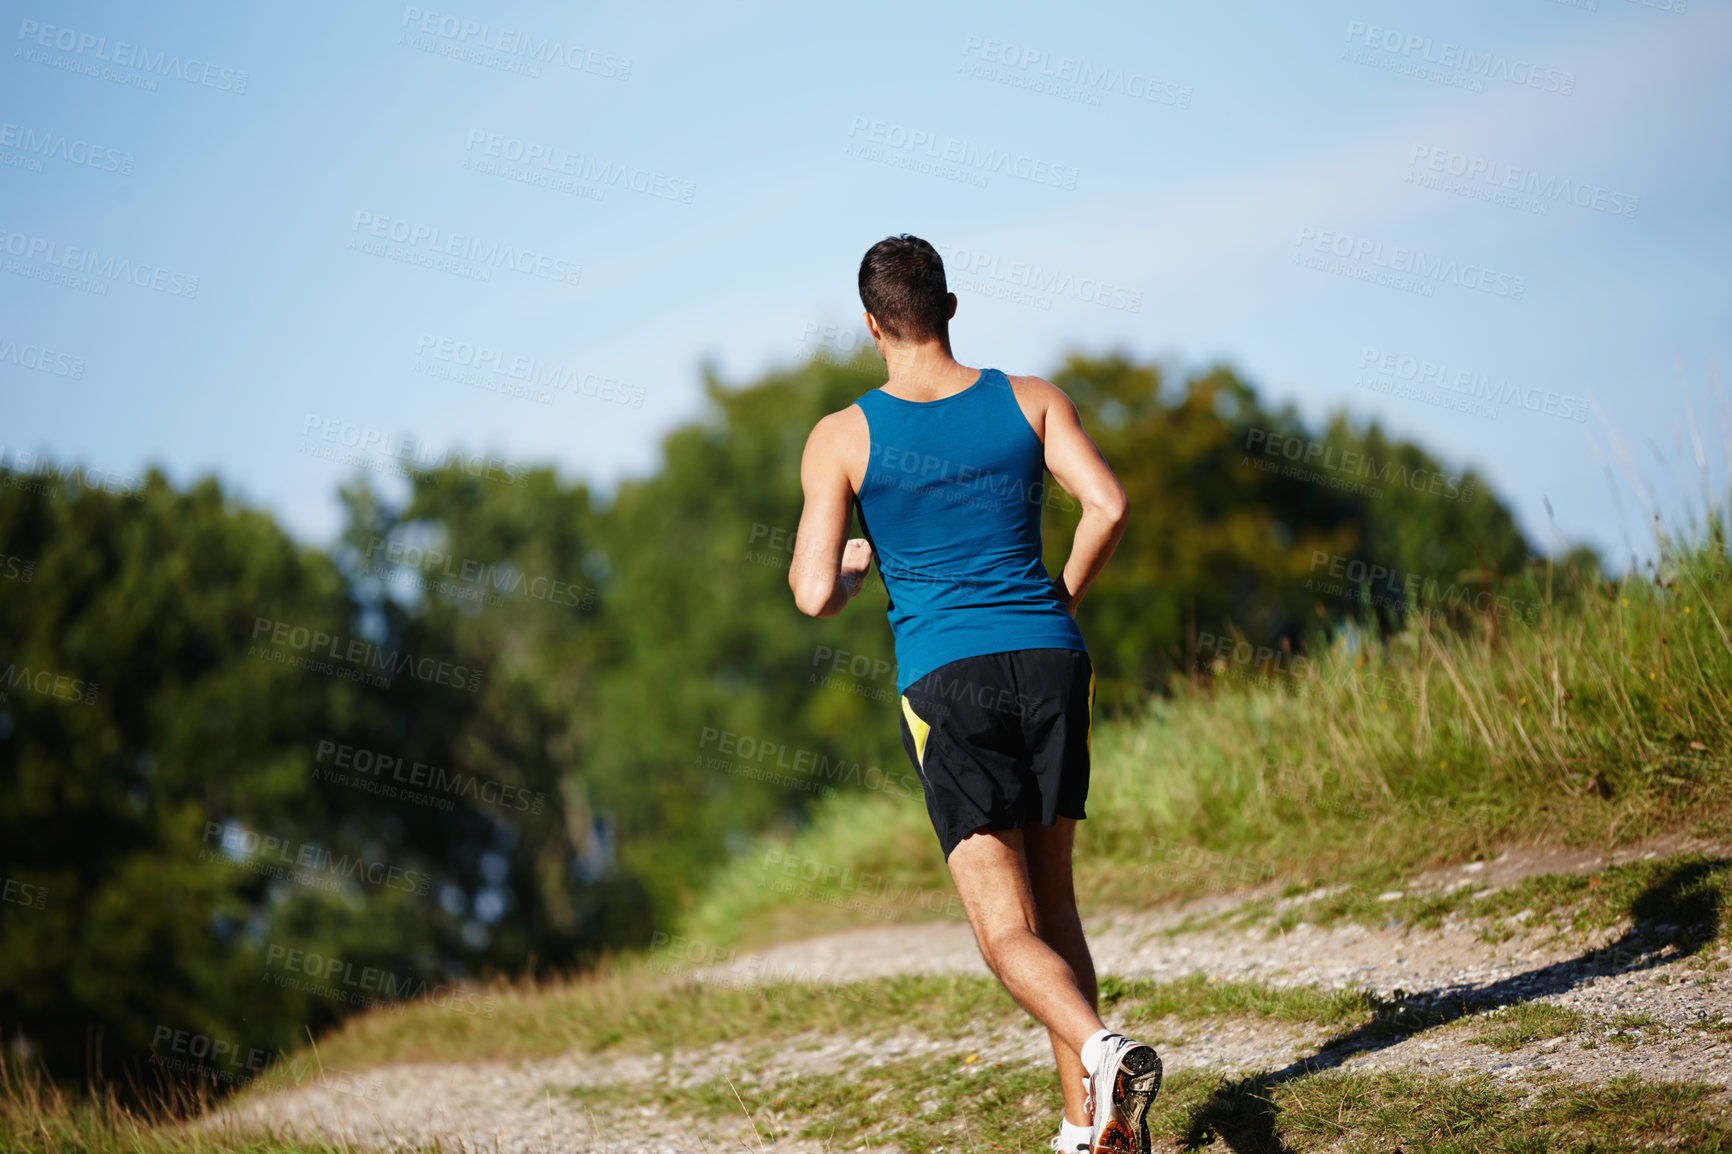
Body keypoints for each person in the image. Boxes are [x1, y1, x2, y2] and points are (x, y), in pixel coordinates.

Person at [788, 234, 1159, 1154]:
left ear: (872, 324)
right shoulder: (1031, 401)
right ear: (950, 307)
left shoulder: (844, 436)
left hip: (947, 680)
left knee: (1004, 934)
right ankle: (1085, 1126)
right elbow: (1107, 506)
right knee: (1056, 907)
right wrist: (1059, 596)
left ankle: (1103, 1051)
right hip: (1050, 658)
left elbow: (809, 594)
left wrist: (856, 561)